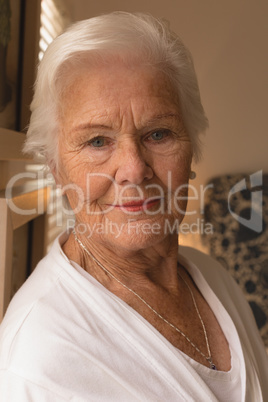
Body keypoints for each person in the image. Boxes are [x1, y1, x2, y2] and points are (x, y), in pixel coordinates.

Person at [0, 12, 267, 401]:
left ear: (192, 148)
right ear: (55, 168)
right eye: (96, 141)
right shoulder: (39, 363)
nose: (134, 170)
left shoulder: (211, 277)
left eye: (158, 134)